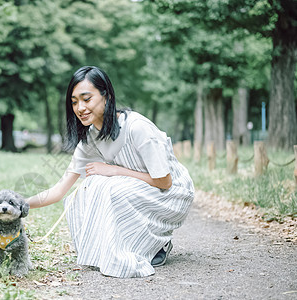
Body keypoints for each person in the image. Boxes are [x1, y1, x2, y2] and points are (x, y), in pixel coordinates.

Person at [27, 66, 194, 278]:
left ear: (106, 96)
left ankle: (155, 244)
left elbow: (165, 182)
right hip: (141, 190)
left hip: (173, 195)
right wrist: (20, 204)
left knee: (110, 186)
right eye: (74, 102)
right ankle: (118, 248)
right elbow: (60, 190)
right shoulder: (90, 139)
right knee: (85, 190)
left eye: (87, 99)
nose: (80, 108)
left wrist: (113, 170)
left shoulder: (136, 127)